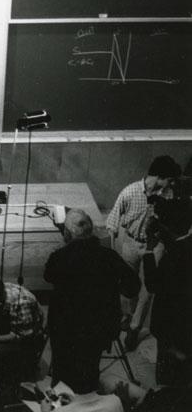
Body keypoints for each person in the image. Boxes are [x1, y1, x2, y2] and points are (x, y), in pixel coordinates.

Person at [44, 209, 140, 394]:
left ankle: (62, 403)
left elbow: (49, 276)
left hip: (65, 331)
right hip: (99, 330)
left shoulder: (60, 257)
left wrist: (65, 244)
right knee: (89, 373)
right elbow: (132, 287)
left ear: (68, 233)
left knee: (62, 376)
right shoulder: (109, 256)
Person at [106, 155, 181, 350]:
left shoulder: (167, 193)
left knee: (148, 289)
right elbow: (113, 221)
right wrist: (113, 252)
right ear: (160, 176)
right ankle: (127, 315)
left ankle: (134, 327)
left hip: (154, 245)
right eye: (170, 179)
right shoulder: (130, 192)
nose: (171, 184)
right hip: (131, 243)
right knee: (127, 286)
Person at [141, 181, 192, 385]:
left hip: (171, 323)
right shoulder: (182, 246)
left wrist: (148, 250)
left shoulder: (175, 255)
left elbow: (153, 285)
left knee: (168, 373)